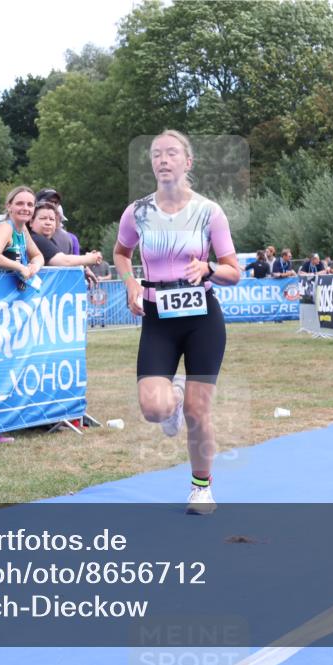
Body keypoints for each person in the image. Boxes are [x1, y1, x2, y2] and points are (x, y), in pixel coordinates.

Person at [113, 129, 241, 515]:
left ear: (188, 162)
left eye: (171, 153)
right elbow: (121, 253)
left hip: (202, 319)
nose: (163, 160)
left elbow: (234, 271)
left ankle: (201, 488)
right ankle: (175, 398)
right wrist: (131, 282)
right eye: (156, 154)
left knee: (198, 413)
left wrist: (209, 268)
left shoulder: (209, 211)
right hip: (158, 318)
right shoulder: (137, 212)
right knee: (154, 408)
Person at [28, 201, 101, 285]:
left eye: (52, 219)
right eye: (43, 218)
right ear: (31, 222)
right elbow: (64, 261)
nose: (48, 222)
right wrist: (91, 259)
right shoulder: (36, 239)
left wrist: (82, 268)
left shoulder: (45, 240)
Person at [0, 186, 45, 284]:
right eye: (19, 203)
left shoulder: (23, 229)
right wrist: (20, 267)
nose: (25, 208)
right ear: (9, 206)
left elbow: (38, 256)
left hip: (11, 292)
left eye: (30, 205)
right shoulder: (5, 227)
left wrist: (35, 266)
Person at [36, 188, 80, 255]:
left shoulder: (66, 238)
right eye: (49, 201)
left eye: (56, 202)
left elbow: (71, 262)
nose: (53, 205)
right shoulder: (24, 234)